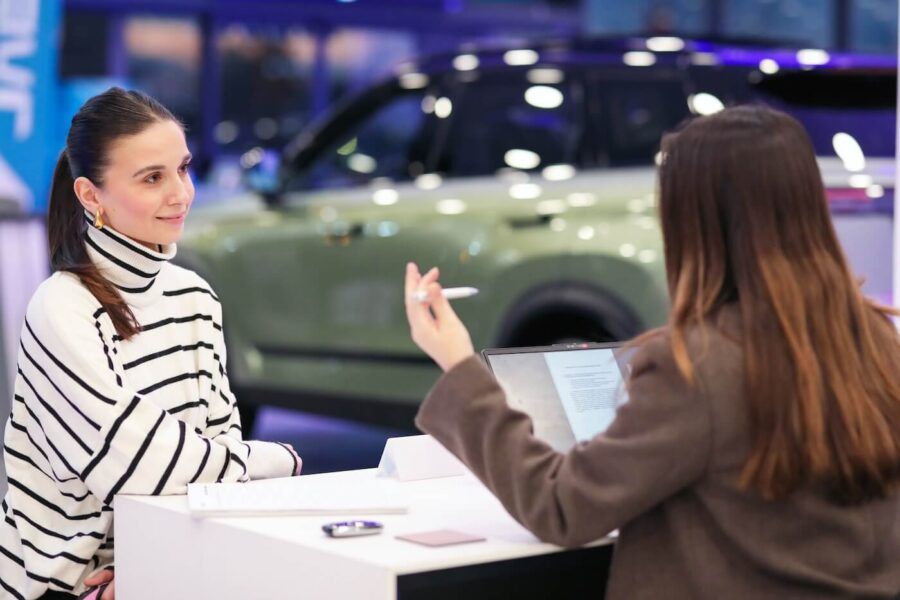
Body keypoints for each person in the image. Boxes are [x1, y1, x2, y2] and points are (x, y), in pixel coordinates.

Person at [405, 105, 900, 598]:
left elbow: (560, 508)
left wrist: (458, 364)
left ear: (692, 222)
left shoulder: (696, 366)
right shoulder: (878, 341)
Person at [0, 88, 301, 600]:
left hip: (165, 562)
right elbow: (132, 461)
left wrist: (156, 556)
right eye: (152, 178)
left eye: (182, 169)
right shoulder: (62, 306)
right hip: (58, 583)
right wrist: (277, 459)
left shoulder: (195, 296)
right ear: (90, 196)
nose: (180, 194)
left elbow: (219, 453)